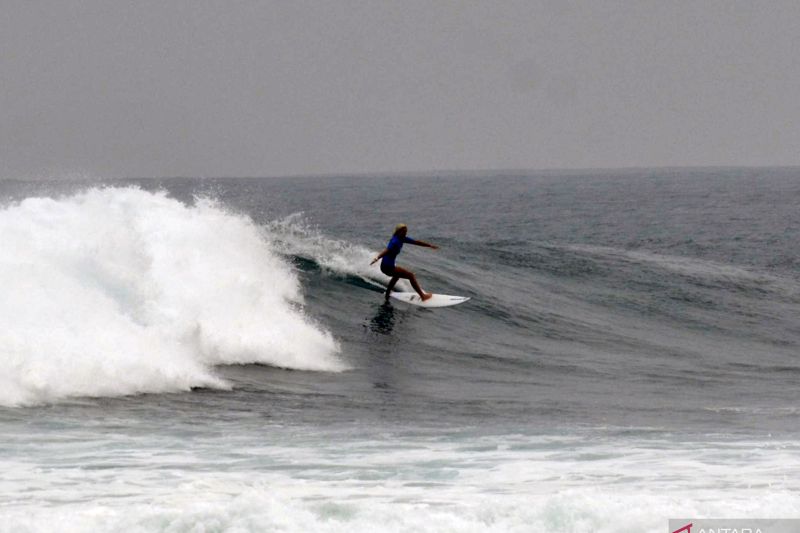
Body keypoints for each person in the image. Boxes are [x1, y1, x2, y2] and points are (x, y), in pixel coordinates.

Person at [370, 224, 438, 302]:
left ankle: (388, 293)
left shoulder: (402, 238)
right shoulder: (395, 241)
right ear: (398, 231)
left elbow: (416, 242)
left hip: (387, 265)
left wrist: (429, 245)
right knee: (410, 275)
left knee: (397, 275)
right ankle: (423, 296)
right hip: (387, 266)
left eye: (406, 232)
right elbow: (387, 250)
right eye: (403, 232)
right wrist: (377, 258)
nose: (405, 233)